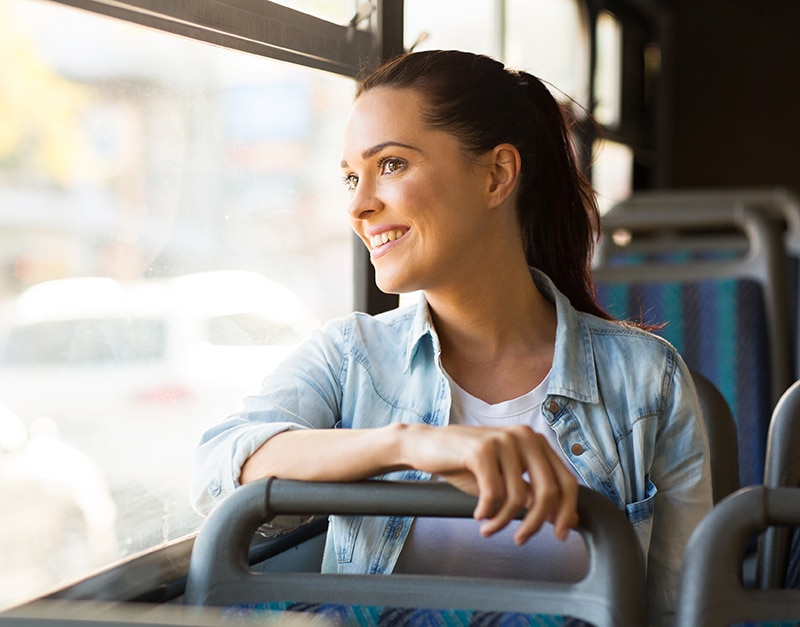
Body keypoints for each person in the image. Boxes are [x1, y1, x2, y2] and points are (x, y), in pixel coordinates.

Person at [192, 49, 712, 625]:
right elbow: (220, 465)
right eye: (349, 177)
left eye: (390, 165)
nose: (359, 205)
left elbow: (678, 612)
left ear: (496, 176)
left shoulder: (646, 382)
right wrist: (406, 444)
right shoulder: (351, 358)